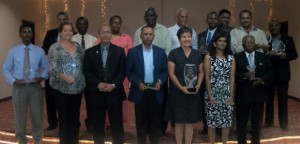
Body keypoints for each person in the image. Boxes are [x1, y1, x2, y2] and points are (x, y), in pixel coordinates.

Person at [2, 24, 48, 144]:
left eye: (29, 32)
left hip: (35, 88)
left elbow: (45, 67)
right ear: (20, 34)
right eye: (24, 32)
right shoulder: (13, 51)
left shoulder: (39, 51)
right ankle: (21, 140)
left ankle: (38, 139)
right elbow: (6, 69)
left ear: (32, 34)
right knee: (19, 117)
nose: (27, 34)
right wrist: (13, 81)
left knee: (37, 116)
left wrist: (42, 77)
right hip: (19, 88)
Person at [83, 24, 126, 144]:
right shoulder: (90, 52)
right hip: (97, 93)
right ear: (99, 34)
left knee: (117, 126)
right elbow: (86, 71)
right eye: (103, 32)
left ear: (111, 35)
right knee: (97, 126)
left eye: (108, 32)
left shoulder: (119, 51)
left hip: (114, 93)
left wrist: (113, 85)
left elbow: (122, 71)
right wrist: (97, 84)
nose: (105, 34)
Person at [133, 7, 172, 135]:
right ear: (145, 17)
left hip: (159, 78)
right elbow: (135, 56)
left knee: (158, 110)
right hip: (142, 83)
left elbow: (168, 50)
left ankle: (159, 131)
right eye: (148, 16)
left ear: (156, 16)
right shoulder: (139, 30)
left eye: (152, 15)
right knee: (141, 114)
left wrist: (158, 61)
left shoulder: (165, 31)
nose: (150, 17)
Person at [127, 26, 168, 144]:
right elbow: (129, 71)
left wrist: (160, 81)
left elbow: (165, 71)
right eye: (145, 34)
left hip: (156, 90)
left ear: (153, 36)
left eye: (150, 34)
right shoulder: (133, 52)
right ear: (141, 36)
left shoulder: (160, 52)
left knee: (155, 124)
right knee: (141, 124)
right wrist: (137, 82)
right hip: (141, 90)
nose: (148, 36)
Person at [165, 27, 204, 144]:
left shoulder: (197, 54)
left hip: (193, 92)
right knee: (179, 121)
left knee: (190, 121)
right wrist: (181, 87)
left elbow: (201, 72)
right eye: (184, 37)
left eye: (189, 36)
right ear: (179, 39)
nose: (187, 39)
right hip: (178, 92)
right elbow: (171, 73)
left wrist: (198, 86)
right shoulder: (173, 53)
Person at [48, 22, 85, 144]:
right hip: (62, 88)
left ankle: (74, 141)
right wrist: (65, 77)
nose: (68, 32)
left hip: (77, 88)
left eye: (70, 30)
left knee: (75, 119)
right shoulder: (54, 47)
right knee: (64, 118)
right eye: (65, 30)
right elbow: (52, 68)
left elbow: (83, 64)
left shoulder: (78, 47)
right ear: (60, 33)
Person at [235, 35, 274, 144]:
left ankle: (256, 142)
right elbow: (233, 75)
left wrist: (262, 80)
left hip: (259, 95)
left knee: (257, 123)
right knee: (242, 122)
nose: (250, 44)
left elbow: (271, 73)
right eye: (248, 43)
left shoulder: (263, 56)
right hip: (243, 95)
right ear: (243, 45)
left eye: (252, 42)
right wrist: (244, 75)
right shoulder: (237, 57)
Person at [97, 15, 133, 129]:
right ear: (110, 24)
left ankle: (118, 123)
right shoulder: (104, 37)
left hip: (122, 77)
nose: (116, 25)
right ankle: (108, 124)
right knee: (106, 99)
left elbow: (130, 57)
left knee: (121, 101)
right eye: (114, 22)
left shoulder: (127, 38)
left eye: (118, 23)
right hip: (106, 76)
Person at [198, 11, 230, 134]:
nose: (212, 21)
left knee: (219, 99)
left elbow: (227, 50)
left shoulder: (224, 34)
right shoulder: (201, 34)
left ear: (218, 20)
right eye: (210, 18)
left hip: (219, 70)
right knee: (205, 99)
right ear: (207, 20)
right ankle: (207, 126)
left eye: (215, 18)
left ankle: (218, 128)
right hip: (204, 69)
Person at [264, 19, 298, 131]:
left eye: (276, 25)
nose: (273, 28)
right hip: (269, 74)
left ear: (279, 27)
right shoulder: (266, 40)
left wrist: (285, 55)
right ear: (269, 28)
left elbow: (294, 55)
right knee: (269, 99)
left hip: (283, 74)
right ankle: (268, 122)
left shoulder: (288, 39)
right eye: (271, 26)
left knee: (283, 100)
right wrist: (267, 55)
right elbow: (261, 54)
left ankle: (283, 123)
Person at [203, 34, 235, 143]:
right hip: (212, 92)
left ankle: (224, 142)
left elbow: (232, 78)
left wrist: (231, 95)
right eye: (220, 41)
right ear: (214, 43)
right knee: (212, 122)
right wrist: (210, 95)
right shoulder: (208, 57)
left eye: (224, 41)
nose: (222, 43)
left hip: (226, 92)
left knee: (225, 122)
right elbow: (207, 77)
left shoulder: (231, 58)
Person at [42, 11, 69, 130]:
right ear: (57, 21)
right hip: (52, 72)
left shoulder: (71, 33)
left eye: (64, 19)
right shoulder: (50, 33)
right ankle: (52, 122)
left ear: (67, 20)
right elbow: (44, 49)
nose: (62, 21)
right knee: (50, 98)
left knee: (66, 99)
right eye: (60, 19)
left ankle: (66, 121)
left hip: (67, 73)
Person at [71, 16, 97, 133]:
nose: (82, 26)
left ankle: (90, 122)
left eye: (84, 24)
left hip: (90, 77)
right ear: (76, 26)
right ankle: (74, 123)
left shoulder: (94, 39)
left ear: (87, 25)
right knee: (75, 102)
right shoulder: (71, 39)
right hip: (75, 77)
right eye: (79, 24)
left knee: (91, 102)